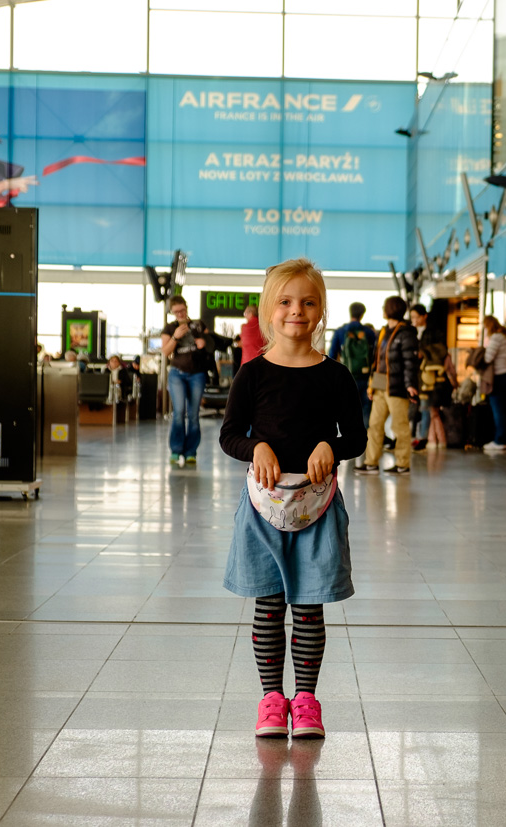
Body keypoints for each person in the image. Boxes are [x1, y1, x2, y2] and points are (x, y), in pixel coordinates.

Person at [219, 257, 366, 740]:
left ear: (321, 310)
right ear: (268, 310)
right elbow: (228, 435)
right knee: (268, 604)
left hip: (317, 507)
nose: (295, 311)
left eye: (307, 302)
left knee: (307, 607)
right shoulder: (253, 374)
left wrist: (332, 445)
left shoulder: (336, 375)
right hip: (263, 507)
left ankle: (305, 701)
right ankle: (270, 699)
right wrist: (255, 445)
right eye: (284, 301)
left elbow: (357, 438)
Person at [358, 296, 418, 475]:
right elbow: (377, 360)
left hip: (397, 386)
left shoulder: (406, 333)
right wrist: (372, 385)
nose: (383, 309)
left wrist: (410, 385)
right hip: (380, 384)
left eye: (385, 306)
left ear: (391, 309)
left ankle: (402, 464)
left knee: (399, 426)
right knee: (375, 424)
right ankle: (371, 462)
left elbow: (410, 362)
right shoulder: (384, 331)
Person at [161, 295, 210, 466]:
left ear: (187, 308)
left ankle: (191, 452)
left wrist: (204, 342)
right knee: (179, 412)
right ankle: (176, 450)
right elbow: (165, 352)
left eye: (182, 310)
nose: (180, 314)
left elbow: (211, 345)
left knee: (194, 414)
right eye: (176, 312)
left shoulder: (198, 324)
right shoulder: (170, 328)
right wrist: (175, 337)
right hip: (177, 373)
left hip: (197, 373)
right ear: (172, 312)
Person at [409, 304, 451, 451]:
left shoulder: (434, 331)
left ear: (424, 316)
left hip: (429, 377)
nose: (414, 320)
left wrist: (424, 352)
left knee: (427, 407)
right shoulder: (410, 331)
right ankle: (424, 437)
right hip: (414, 375)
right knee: (417, 407)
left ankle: (423, 438)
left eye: (416, 317)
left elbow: (442, 350)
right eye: (412, 317)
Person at [327, 302, 377, 427]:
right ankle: (365, 441)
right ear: (362, 314)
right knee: (366, 408)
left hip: (347, 375)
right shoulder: (369, 333)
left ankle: (349, 441)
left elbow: (332, 355)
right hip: (365, 377)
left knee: (347, 408)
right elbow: (374, 354)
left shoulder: (340, 332)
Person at [481, 315, 506, 452]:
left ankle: (500, 439)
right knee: (505, 409)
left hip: (499, 377)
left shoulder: (496, 338)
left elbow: (488, 357)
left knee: (498, 409)